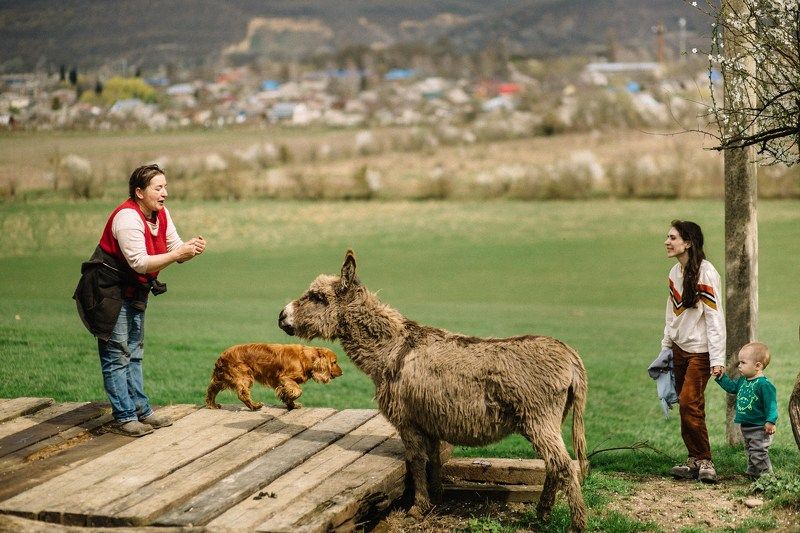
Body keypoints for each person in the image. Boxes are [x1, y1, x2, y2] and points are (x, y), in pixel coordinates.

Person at [74, 164, 206, 437]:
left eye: (165, 187)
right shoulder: (126, 218)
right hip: (107, 292)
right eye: (158, 188)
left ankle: (142, 411)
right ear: (139, 192)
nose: (165, 193)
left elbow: (173, 250)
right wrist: (178, 253)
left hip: (135, 290)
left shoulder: (161, 214)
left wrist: (190, 250)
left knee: (134, 351)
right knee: (116, 354)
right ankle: (125, 417)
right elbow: (139, 263)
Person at [658, 220, 726, 483]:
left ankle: (706, 460)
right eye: (668, 237)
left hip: (700, 351)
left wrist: (717, 358)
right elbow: (671, 314)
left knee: (690, 402)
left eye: (673, 237)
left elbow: (715, 318)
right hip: (679, 349)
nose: (667, 241)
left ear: (688, 242)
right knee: (687, 406)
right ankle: (693, 460)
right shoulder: (675, 273)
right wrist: (666, 347)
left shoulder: (706, 273)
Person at [713, 342, 778, 478]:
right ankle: (753, 473)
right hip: (747, 426)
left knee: (758, 452)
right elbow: (731, 387)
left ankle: (767, 477)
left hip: (760, 427)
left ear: (758, 366)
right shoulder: (743, 380)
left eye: (743, 362)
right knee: (750, 450)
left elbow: (771, 405)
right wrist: (721, 377)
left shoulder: (764, 384)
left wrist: (771, 421)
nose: (739, 366)